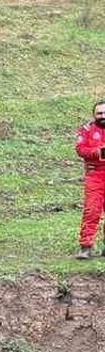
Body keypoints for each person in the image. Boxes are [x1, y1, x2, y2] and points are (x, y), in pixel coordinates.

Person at [76, 100, 105, 259]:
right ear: (94, 115)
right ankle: (85, 246)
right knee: (92, 210)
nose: (103, 116)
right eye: (99, 113)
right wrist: (99, 152)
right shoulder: (86, 130)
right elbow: (80, 150)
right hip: (95, 175)